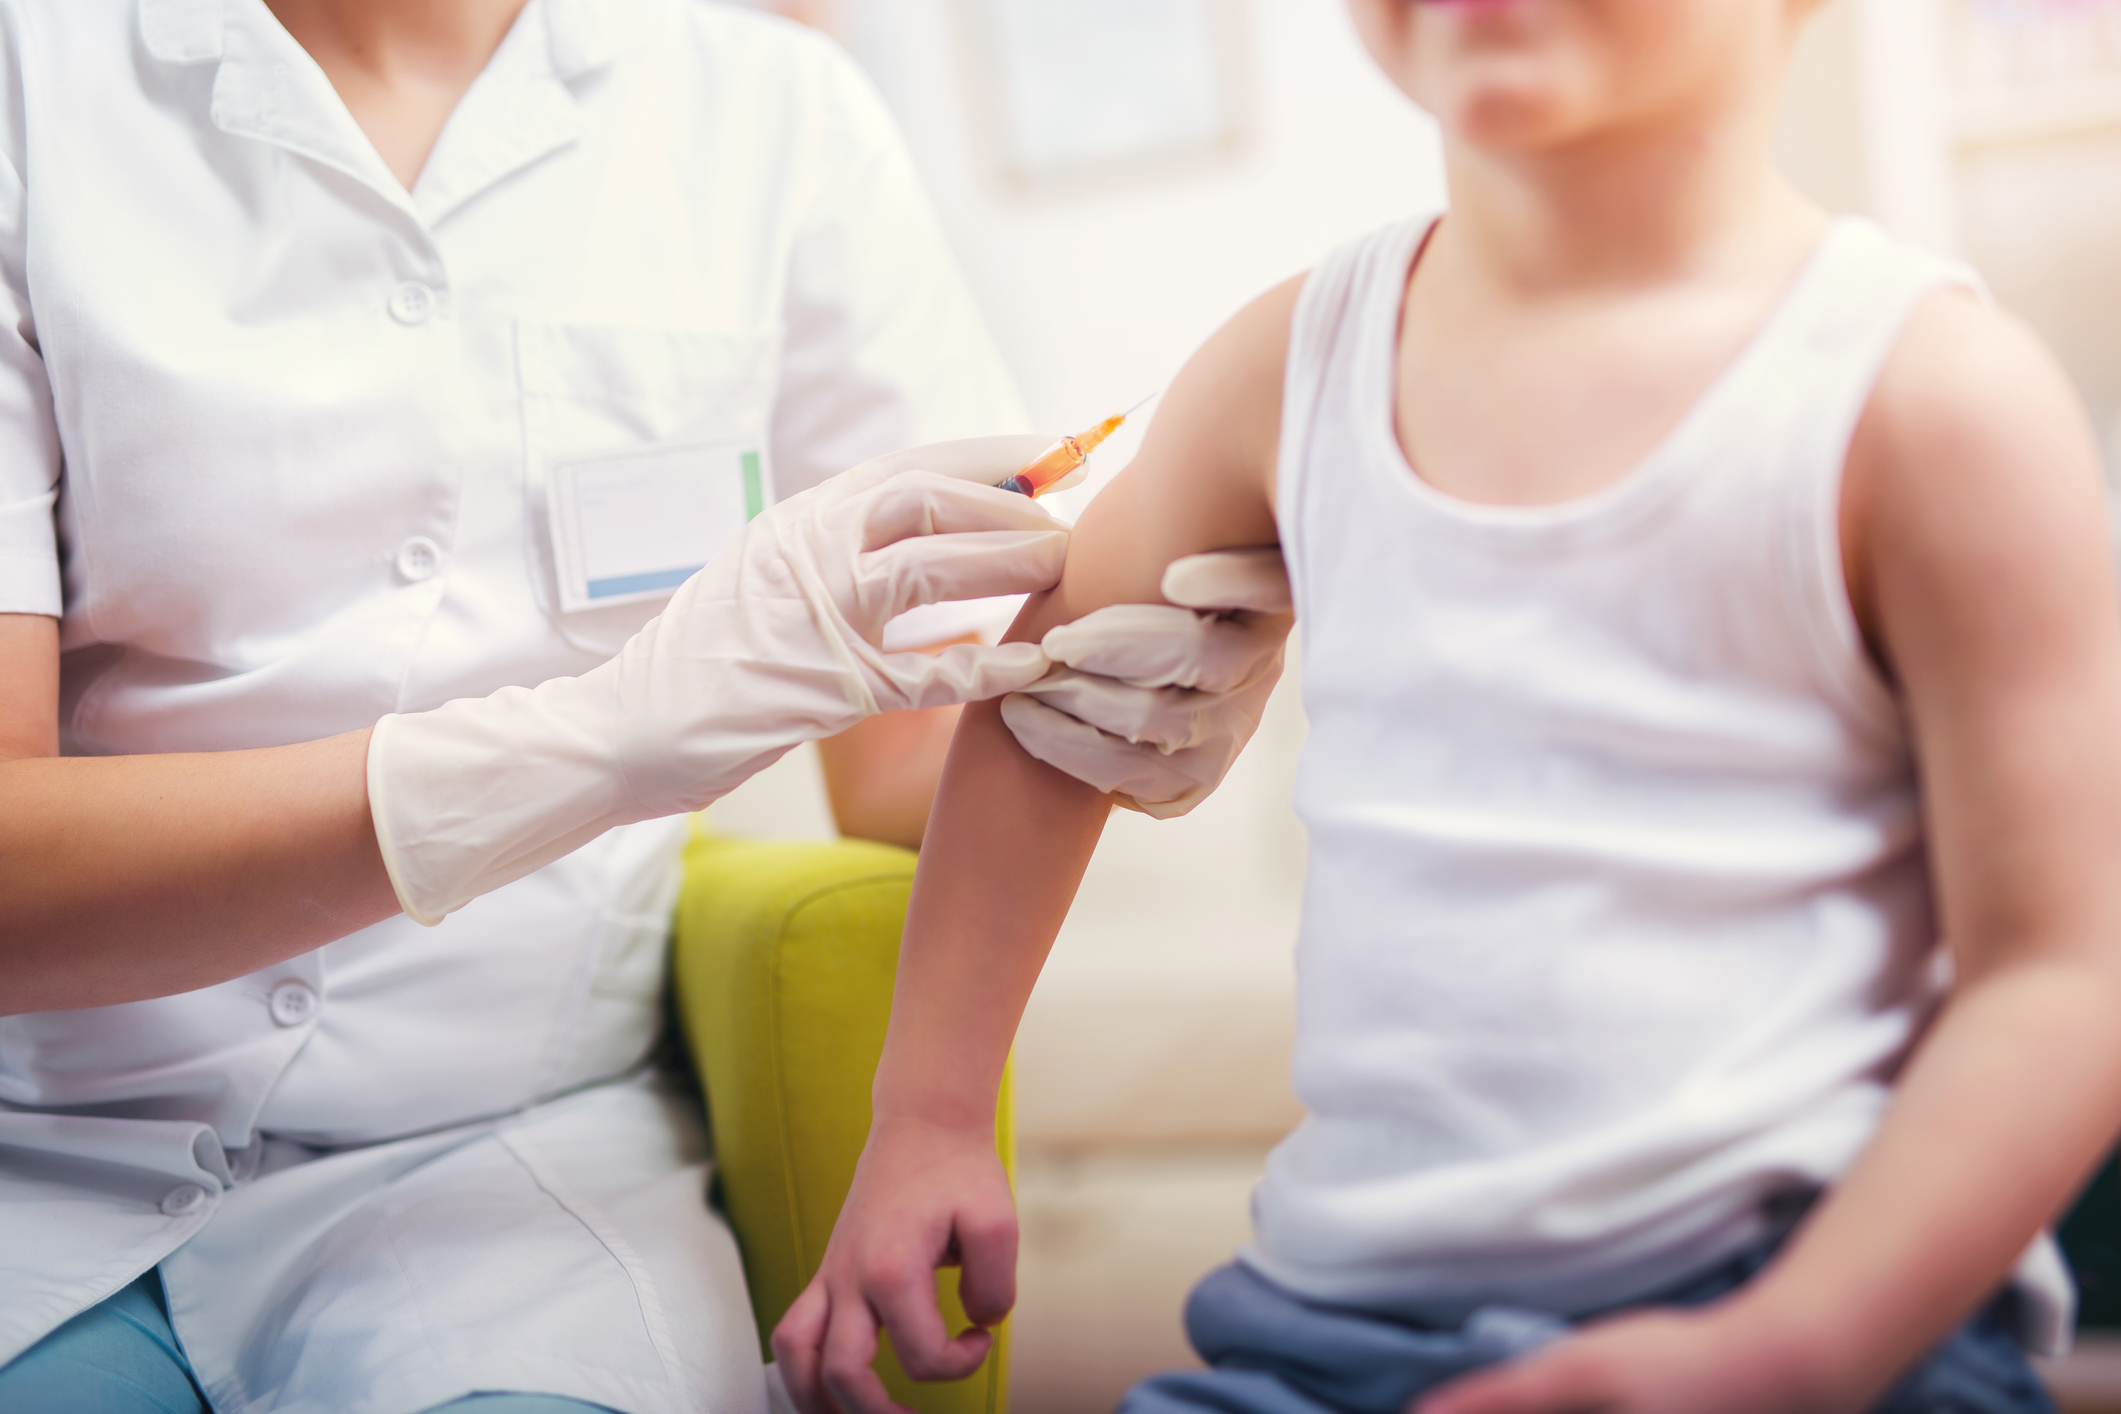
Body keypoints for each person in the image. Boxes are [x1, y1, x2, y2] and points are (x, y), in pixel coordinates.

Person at [774, 1, 2121, 1411]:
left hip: (1811, 1316)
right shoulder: (1294, 358)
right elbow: (1044, 709)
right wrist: (924, 1112)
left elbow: (2064, 974)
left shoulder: (1931, 399)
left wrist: (1782, 1349)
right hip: (1333, 1329)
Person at [0, 1, 1289, 1411]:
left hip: (504, 1166)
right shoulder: (32, 84)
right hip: (48, 1159)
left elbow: (914, 736)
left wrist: (1110, 708)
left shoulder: (774, 116)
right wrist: (599, 738)